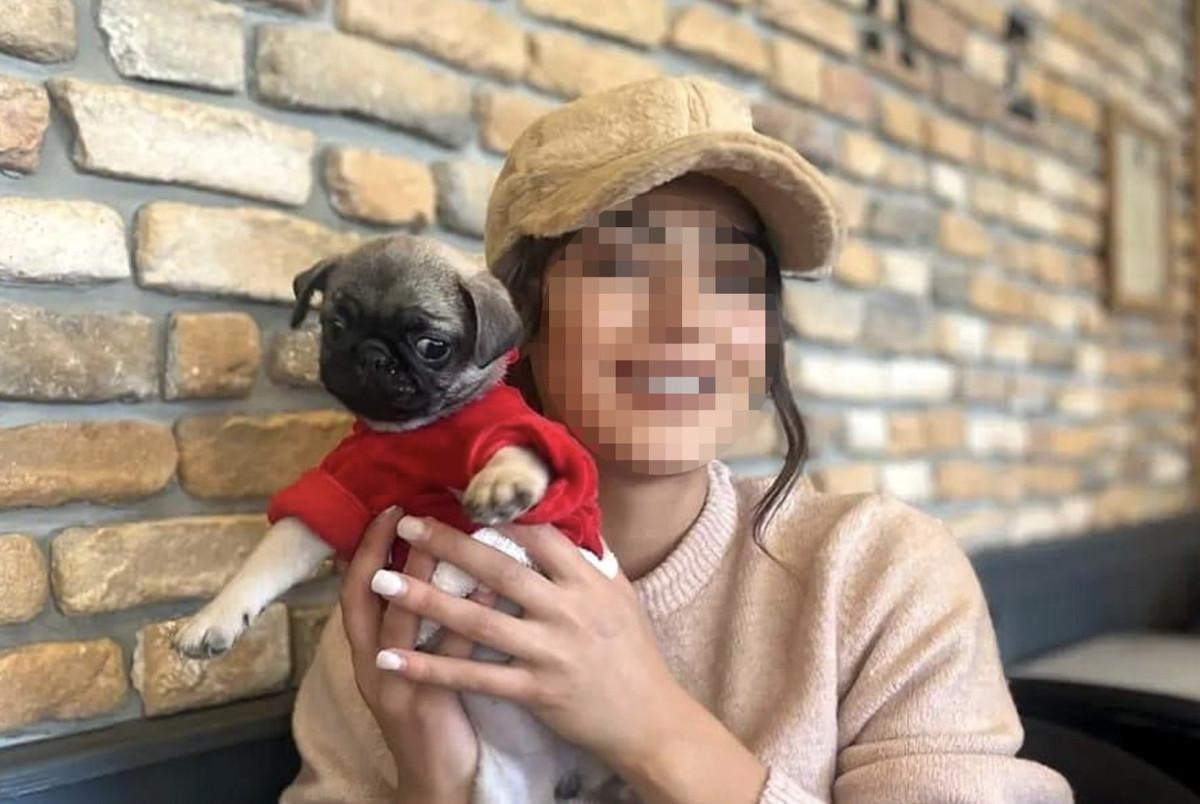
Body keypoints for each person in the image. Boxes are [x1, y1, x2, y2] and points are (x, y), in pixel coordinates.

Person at [280, 76, 1074, 803]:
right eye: (623, 264)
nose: (686, 318)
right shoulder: (406, 593)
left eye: (732, 278)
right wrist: (436, 784)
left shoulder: (878, 577)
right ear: (512, 325)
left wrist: (651, 726)